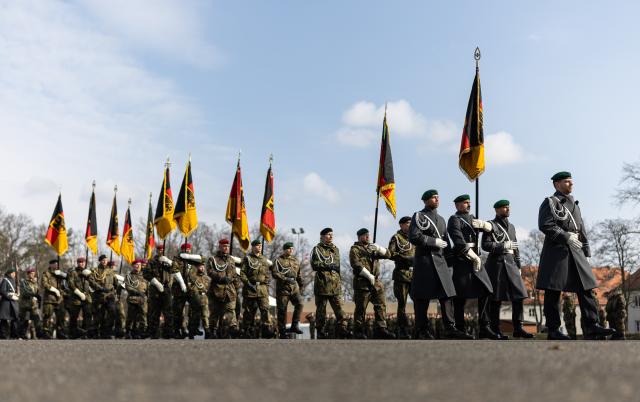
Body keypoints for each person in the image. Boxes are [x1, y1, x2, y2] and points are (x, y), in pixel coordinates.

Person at [537, 171, 615, 340]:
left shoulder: (575, 204)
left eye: (571, 181)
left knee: (586, 288)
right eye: (566, 181)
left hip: (576, 250)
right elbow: (545, 224)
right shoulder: (550, 202)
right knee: (553, 290)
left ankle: (592, 324)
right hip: (557, 251)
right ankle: (553, 329)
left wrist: (586, 252)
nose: (571, 184)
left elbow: (581, 229)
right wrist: (565, 236)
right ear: (556, 184)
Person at [408, 189, 472, 340]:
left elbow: (446, 243)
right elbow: (414, 236)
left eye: (438, 197)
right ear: (425, 200)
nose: (437, 200)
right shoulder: (419, 216)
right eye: (433, 197)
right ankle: (421, 329)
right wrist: (432, 241)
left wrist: (452, 261)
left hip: (441, 262)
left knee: (447, 296)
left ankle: (450, 328)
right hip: (425, 261)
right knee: (422, 297)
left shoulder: (442, 220)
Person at [447, 194, 498, 339]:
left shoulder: (473, 218)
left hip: (477, 261)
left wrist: (486, 225)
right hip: (463, 260)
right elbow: (458, 240)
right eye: (465, 203)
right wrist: (473, 256)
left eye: (469, 202)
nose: (468, 205)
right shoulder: (454, 219)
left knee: (487, 290)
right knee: (460, 297)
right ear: (457, 205)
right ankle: (460, 328)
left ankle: (484, 326)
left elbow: (492, 229)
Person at [481, 200, 533, 339]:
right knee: (496, 298)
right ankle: (495, 329)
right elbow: (485, 245)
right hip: (496, 264)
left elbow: (515, 247)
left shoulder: (512, 227)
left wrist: (519, 265)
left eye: (508, 206)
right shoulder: (490, 225)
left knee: (520, 295)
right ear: (497, 210)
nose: (507, 208)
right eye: (504, 207)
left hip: (511, 264)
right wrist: (502, 246)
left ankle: (518, 327)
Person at [349, 228, 395, 339]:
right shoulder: (355, 249)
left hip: (376, 283)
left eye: (368, 235)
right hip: (362, 282)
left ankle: (381, 329)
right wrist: (368, 275)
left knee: (380, 306)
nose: (367, 237)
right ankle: (358, 330)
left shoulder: (372, 248)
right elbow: (356, 264)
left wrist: (379, 248)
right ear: (359, 237)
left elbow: (389, 255)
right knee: (361, 308)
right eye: (365, 235)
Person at [310, 228, 351, 339]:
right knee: (321, 311)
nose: (331, 236)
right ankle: (320, 331)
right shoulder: (317, 249)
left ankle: (343, 329)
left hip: (335, 285)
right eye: (328, 234)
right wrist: (327, 266)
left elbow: (337, 266)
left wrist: (339, 281)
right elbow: (314, 264)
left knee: (340, 310)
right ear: (322, 236)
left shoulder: (335, 249)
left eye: (332, 234)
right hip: (322, 284)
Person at [240, 240, 275, 338]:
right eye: (257, 246)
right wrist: (248, 283)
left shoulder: (264, 259)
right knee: (249, 312)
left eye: (260, 246)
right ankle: (247, 330)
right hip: (250, 289)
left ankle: (267, 329)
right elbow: (242, 273)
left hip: (262, 289)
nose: (259, 247)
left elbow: (267, 274)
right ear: (253, 247)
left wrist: (266, 286)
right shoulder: (247, 259)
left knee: (265, 309)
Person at [207, 239, 242, 339]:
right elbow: (210, 272)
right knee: (215, 313)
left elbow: (234, 275)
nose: (226, 248)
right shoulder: (212, 259)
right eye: (224, 246)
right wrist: (221, 278)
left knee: (230, 310)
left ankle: (228, 329)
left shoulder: (231, 260)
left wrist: (237, 287)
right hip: (216, 290)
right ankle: (213, 331)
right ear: (220, 246)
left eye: (227, 246)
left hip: (230, 291)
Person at [388, 216, 415, 339]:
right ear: (401, 225)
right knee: (402, 304)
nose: (409, 226)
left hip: (415, 275)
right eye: (407, 223)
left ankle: (420, 329)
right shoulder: (396, 238)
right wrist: (405, 258)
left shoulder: (415, 237)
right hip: (401, 275)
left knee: (419, 303)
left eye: (411, 223)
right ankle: (403, 330)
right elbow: (391, 253)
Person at [271, 242, 304, 338]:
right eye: (289, 248)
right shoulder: (278, 260)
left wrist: (301, 286)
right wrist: (285, 278)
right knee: (282, 311)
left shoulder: (295, 261)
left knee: (300, 303)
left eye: (292, 249)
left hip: (294, 288)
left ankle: (294, 325)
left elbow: (299, 275)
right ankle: (282, 332)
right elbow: (274, 273)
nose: (291, 250)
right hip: (283, 289)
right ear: (284, 249)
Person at [143, 244, 174, 339]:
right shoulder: (152, 261)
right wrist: (155, 282)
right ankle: (154, 333)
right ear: (157, 251)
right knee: (155, 312)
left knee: (168, 312)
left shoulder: (168, 261)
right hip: (155, 289)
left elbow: (176, 270)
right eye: (159, 250)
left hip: (166, 289)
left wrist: (169, 262)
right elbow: (146, 273)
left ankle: (168, 333)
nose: (161, 251)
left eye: (163, 250)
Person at [90, 255, 118, 339]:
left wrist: (114, 291)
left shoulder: (111, 271)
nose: (104, 261)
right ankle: (97, 333)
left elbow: (115, 282)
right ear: (100, 261)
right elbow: (91, 281)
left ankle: (108, 332)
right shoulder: (95, 270)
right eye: (103, 260)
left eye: (106, 260)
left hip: (109, 295)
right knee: (99, 315)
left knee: (112, 312)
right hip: (99, 295)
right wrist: (101, 288)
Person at [66, 257, 93, 339]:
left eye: (83, 262)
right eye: (80, 262)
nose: (81, 263)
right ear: (77, 263)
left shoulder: (88, 272)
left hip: (87, 298)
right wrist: (80, 294)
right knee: (74, 316)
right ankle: (72, 334)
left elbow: (92, 283)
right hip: (76, 298)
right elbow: (71, 284)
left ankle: (85, 332)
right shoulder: (73, 272)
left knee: (87, 315)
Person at [41, 259, 67, 339]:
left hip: (59, 299)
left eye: (57, 264)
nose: (56, 266)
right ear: (50, 265)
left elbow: (67, 281)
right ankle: (46, 333)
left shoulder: (60, 273)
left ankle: (60, 332)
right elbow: (44, 284)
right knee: (47, 316)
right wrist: (54, 290)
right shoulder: (46, 273)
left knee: (61, 317)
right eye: (54, 264)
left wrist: (63, 274)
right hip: (49, 299)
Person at [125, 259, 149, 339]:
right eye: (136, 265)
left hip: (143, 299)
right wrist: (136, 292)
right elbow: (127, 286)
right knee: (131, 317)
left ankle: (140, 332)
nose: (138, 266)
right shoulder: (129, 276)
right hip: (133, 299)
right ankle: (128, 332)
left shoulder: (145, 275)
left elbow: (148, 286)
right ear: (133, 266)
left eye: (139, 264)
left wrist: (148, 296)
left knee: (143, 316)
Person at [187, 261, 211, 339]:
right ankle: (192, 331)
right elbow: (190, 288)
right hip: (195, 300)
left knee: (205, 316)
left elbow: (208, 289)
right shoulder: (193, 277)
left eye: (203, 266)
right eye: (200, 266)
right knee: (194, 316)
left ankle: (207, 332)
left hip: (204, 300)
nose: (202, 268)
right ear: (197, 267)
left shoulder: (206, 278)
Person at [18, 267, 42, 339]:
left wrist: (39, 298)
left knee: (37, 320)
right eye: (30, 273)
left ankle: (40, 335)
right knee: (24, 321)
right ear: (27, 274)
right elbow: (25, 292)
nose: (31, 274)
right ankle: (21, 335)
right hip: (25, 305)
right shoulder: (24, 282)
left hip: (33, 305)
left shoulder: (35, 283)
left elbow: (38, 292)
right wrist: (34, 294)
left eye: (33, 273)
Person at [0, 268, 20, 339]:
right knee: (4, 320)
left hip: (13, 303)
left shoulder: (14, 281)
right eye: (13, 273)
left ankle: (14, 335)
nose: (14, 275)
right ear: (9, 274)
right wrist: (11, 296)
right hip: (6, 303)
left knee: (14, 319)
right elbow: (2, 291)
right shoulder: (5, 280)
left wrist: (17, 295)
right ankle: (3, 335)